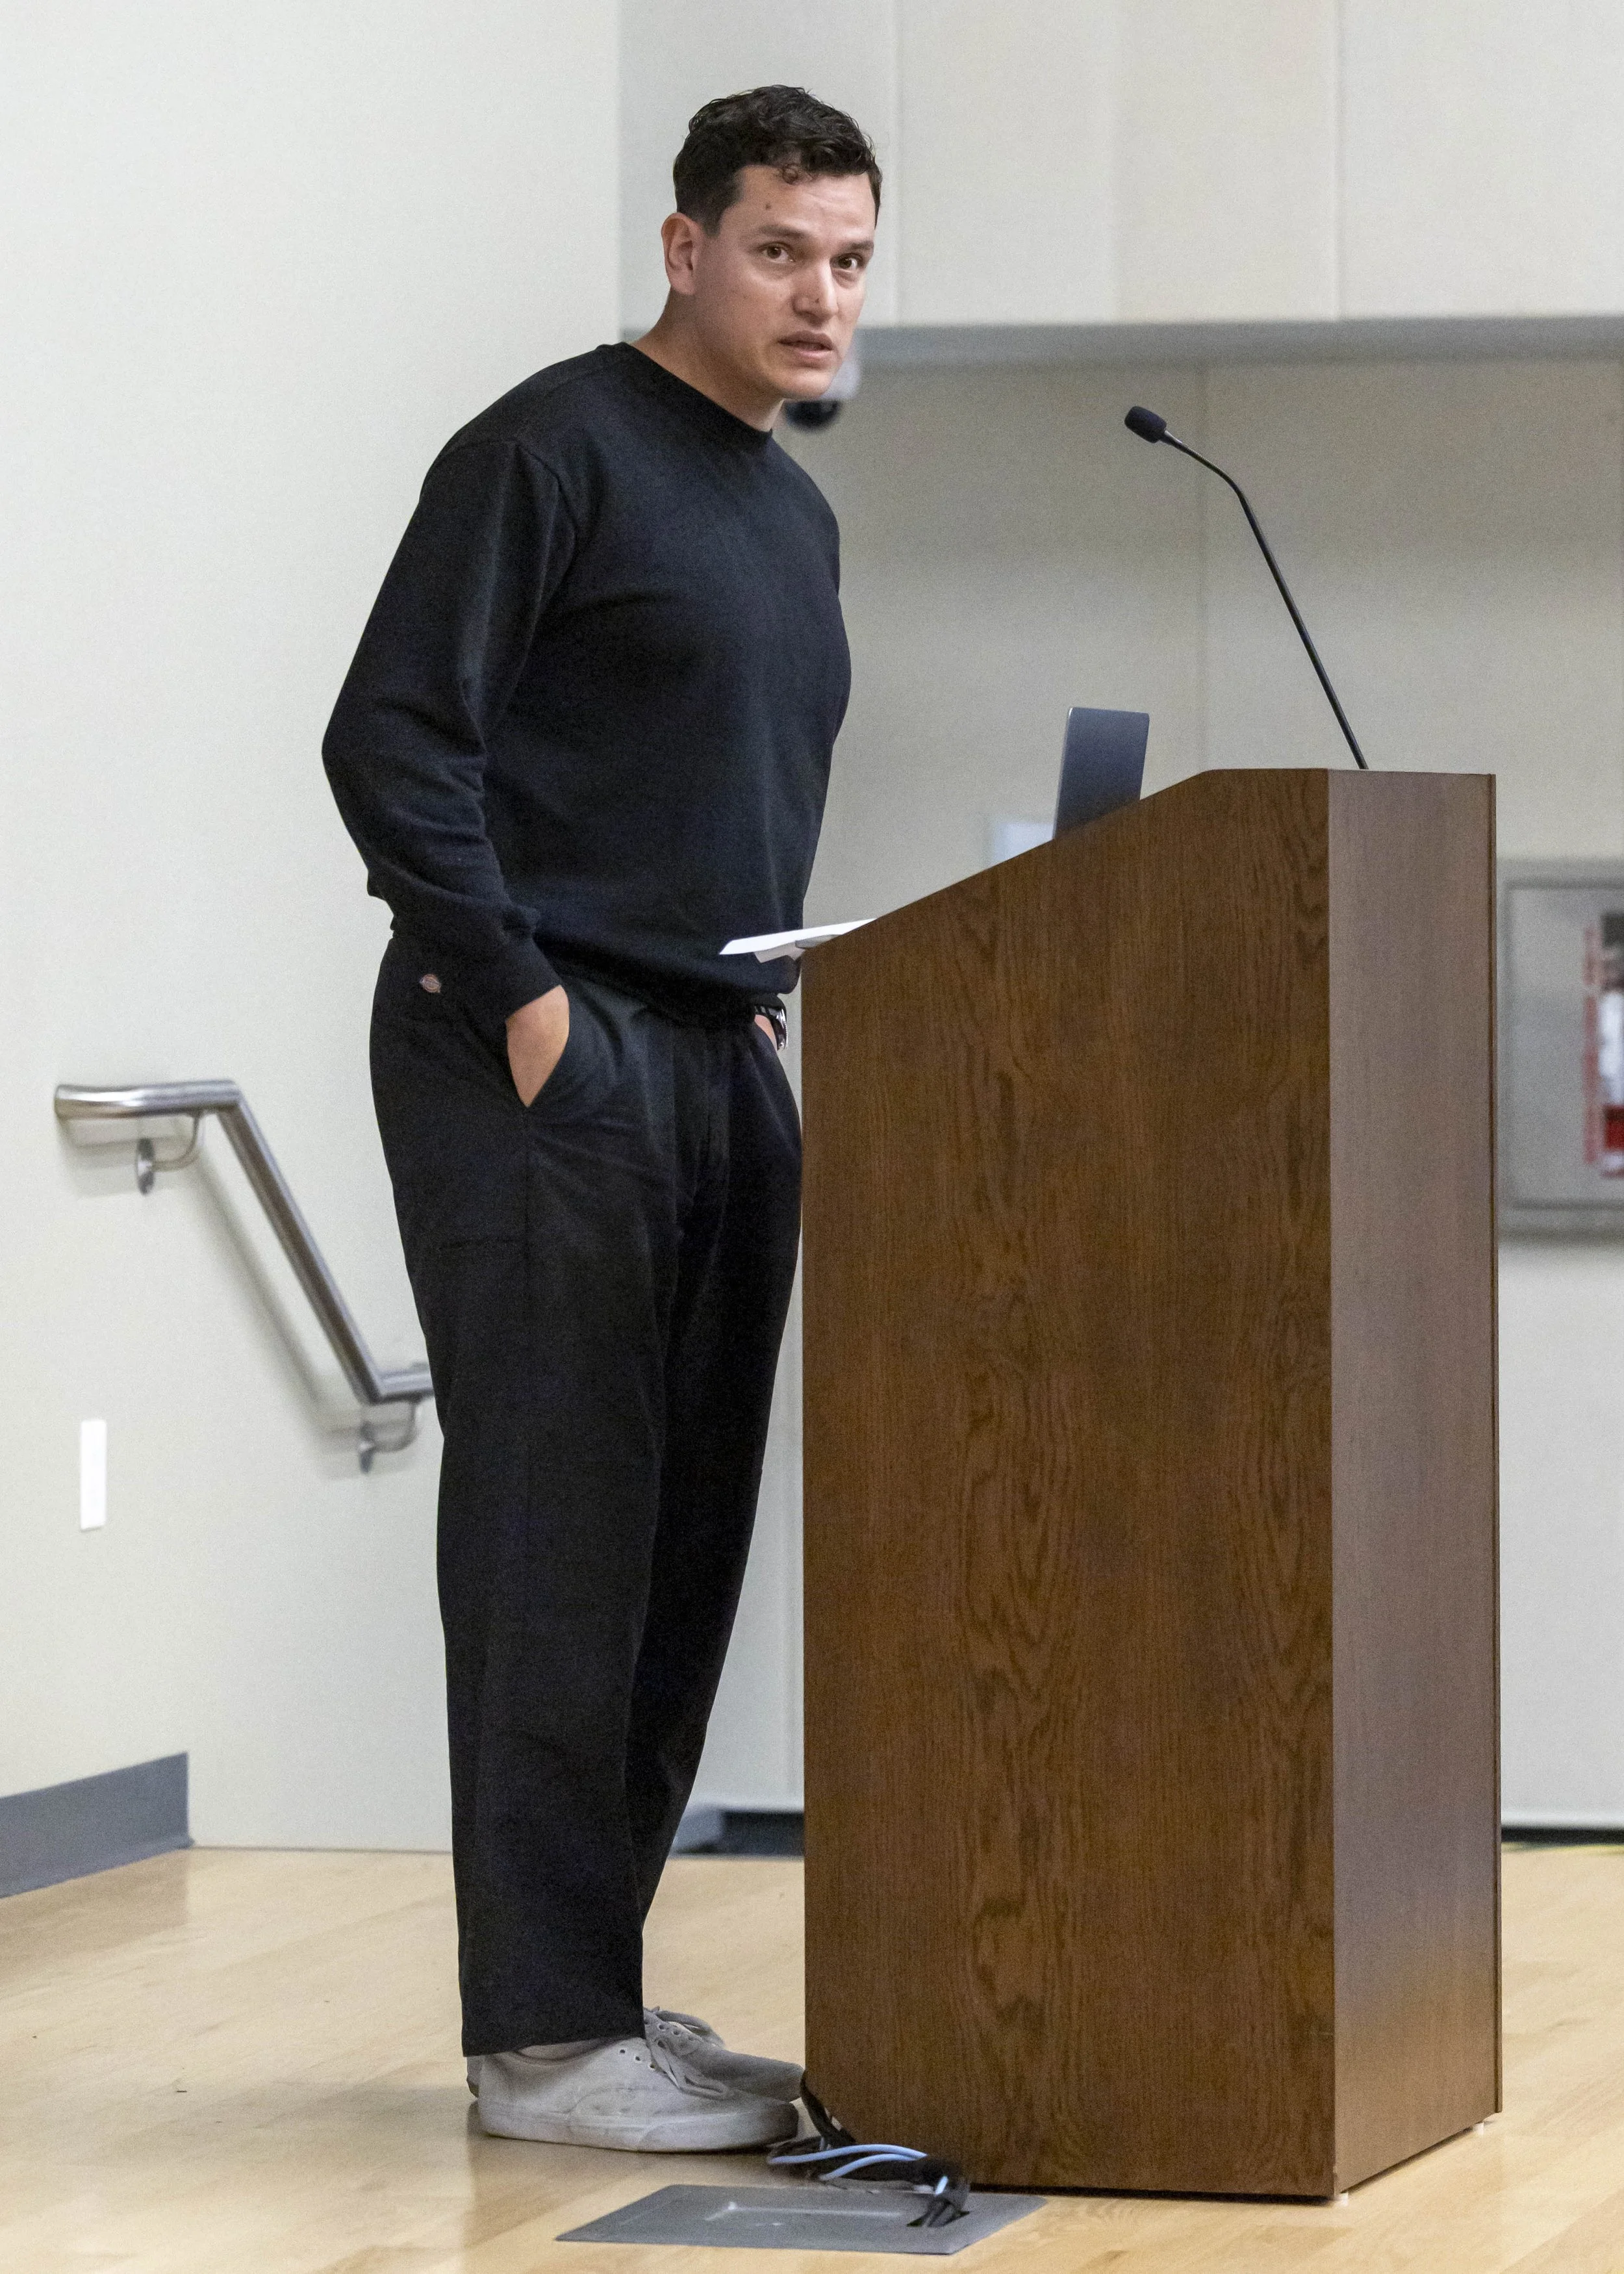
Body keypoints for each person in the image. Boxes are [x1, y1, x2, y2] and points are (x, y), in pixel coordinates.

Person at [322, 85, 879, 2153]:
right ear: (683, 249)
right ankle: (542, 2038)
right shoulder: (547, 448)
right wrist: (531, 998)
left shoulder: (788, 509)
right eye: (779, 251)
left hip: (723, 1045)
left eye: (846, 262)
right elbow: (391, 737)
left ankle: (600, 1997)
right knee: (564, 1533)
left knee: (681, 1541)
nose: (818, 296)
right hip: (539, 1050)